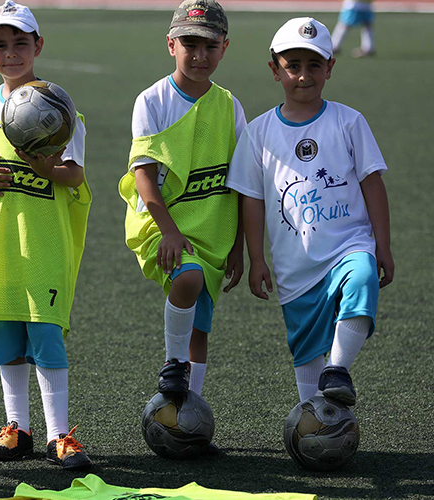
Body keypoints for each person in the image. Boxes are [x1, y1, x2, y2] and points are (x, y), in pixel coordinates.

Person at [226, 17, 394, 406]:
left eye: (314, 65)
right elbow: (252, 199)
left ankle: (338, 369)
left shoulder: (349, 122)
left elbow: (373, 184)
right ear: (275, 70)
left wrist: (381, 245)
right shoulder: (258, 132)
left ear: (330, 68)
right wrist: (256, 258)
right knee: (305, 357)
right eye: (293, 66)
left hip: (348, 246)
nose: (304, 76)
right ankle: (313, 422)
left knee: (362, 277)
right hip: (294, 266)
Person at [0, 0, 93, 471]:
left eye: (20, 42)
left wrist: (46, 167)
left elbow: (75, 176)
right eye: (0, 44)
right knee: (5, 334)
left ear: (37, 45)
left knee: (45, 333)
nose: (10, 52)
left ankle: (60, 434)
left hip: (43, 240)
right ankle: (17, 429)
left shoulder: (58, 105)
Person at [117, 0, 246, 455]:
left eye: (209, 44)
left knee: (201, 327)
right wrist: (169, 231)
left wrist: (240, 248)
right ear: (171, 44)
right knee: (187, 277)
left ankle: (188, 414)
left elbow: (241, 181)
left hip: (211, 229)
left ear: (224, 47)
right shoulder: (152, 101)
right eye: (189, 43)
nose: (199, 53)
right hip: (158, 222)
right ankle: (173, 368)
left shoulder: (230, 107)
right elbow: (144, 178)